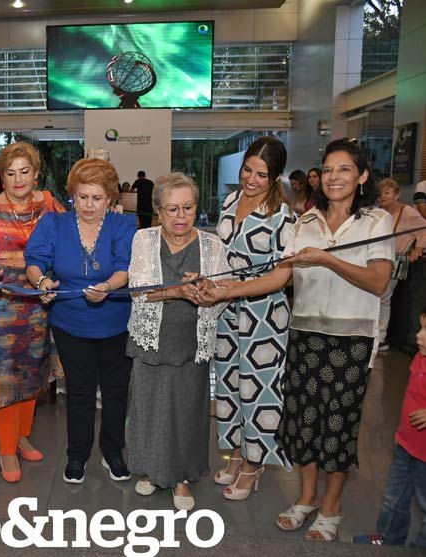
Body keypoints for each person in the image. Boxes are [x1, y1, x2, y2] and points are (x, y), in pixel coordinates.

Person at [199, 138, 394, 541]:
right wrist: (221, 287)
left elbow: (377, 282)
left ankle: (330, 506)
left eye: (344, 169)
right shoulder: (308, 222)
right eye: (329, 169)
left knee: (335, 425)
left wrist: (325, 259)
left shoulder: (373, 220)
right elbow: (279, 272)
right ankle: (305, 498)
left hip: (346, 337)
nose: (334, 177)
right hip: (303, 332)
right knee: (302, 420)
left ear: (362, 175)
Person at [25, 158, 136, 485]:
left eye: (97, 198)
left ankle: (113, 451)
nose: (88, 205)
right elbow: (34, 261)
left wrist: (108, 287)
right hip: (70, 322)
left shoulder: (124, 225)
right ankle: (77, 455)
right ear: (72, 194)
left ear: (110, 197)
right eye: (82, 197)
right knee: (79, 391)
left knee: (115, 391)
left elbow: (125, 267)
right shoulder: (54, 224)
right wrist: (42, 282)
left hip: (115, 321)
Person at [125, 172, 230, 510]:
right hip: (151, 338)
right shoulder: (144, 239)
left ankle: (181, 478)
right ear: (158, 212)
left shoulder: (212, 245)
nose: (181, 216)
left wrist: (207, 290)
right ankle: (151, 470)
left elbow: (225, 290)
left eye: (188, 207)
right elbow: (139, 290)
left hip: (191, 342)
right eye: (172, 209)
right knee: (148, 409)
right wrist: (178, 291)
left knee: (186, 412)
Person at [0, 141, 64, 483]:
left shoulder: (49, 204)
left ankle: (22, 437)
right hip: (2, 307)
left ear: (36, 174)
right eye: (11, 173)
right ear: (2, 177)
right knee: (6, 380)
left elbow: (70, 239)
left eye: (25, 172)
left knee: (33, 375)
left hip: (41, 305)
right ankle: (6, 449)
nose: (19, 179)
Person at [212, 136, 294, 501]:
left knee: (258, 390)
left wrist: (235, 289)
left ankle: (254, 463)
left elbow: (283, 276)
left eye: (262, 175)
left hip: (264, 316)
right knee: (229, 385)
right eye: (248, 170)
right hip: (227, 311)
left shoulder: (283, 215)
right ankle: (235, 454)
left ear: (275, 177)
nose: (251, 179)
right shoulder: (230, 202)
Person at [353, 306, 426, 549]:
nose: (418, 335)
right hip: (405, 445)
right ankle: (388, 540)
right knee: (394, 499)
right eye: (421, 327)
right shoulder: (420, 358)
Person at [376, 178, 426, 351]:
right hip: (380, 259)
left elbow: (424, 229)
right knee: (379, 297)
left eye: (387, 192)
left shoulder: (407, 212)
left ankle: (380, 337)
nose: (383, 196)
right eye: (380, 193)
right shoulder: (381, 213)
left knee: (383, 297)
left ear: (397, 195)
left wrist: (418, 248)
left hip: (396, 261)